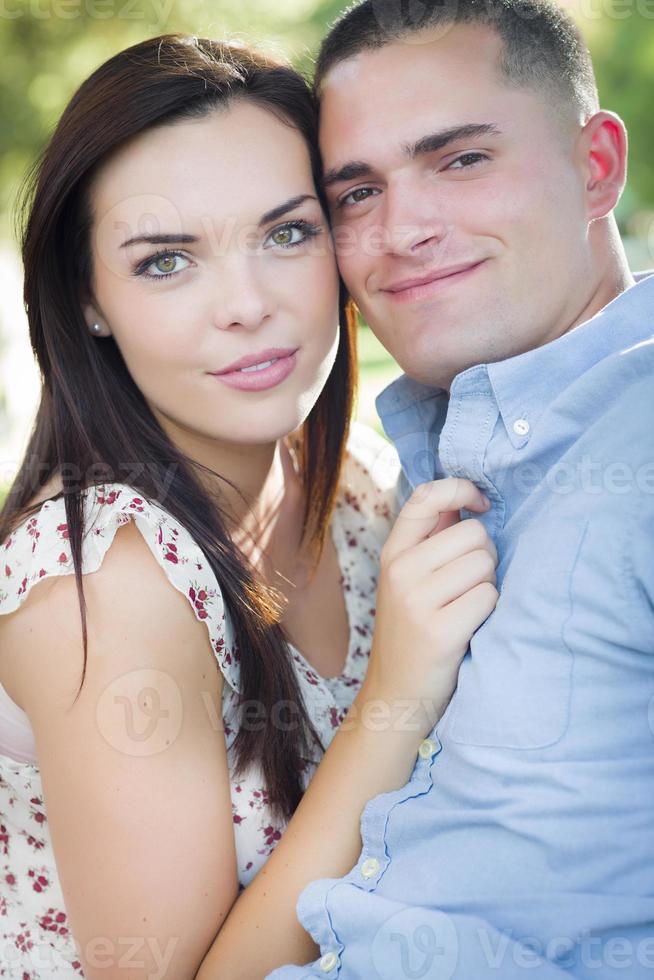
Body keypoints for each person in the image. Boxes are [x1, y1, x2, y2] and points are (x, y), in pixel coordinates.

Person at [0, 34, 500, 979]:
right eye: (165, 261)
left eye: (286, 233)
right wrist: (394, 698)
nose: (246, 305)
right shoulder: (109, 585)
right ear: (87, 297)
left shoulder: (349, 479)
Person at [266, 1, 654, 978]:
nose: (403, 230)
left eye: (461, 159)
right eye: (355, 193)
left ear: (595, 166)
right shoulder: (398, 478)